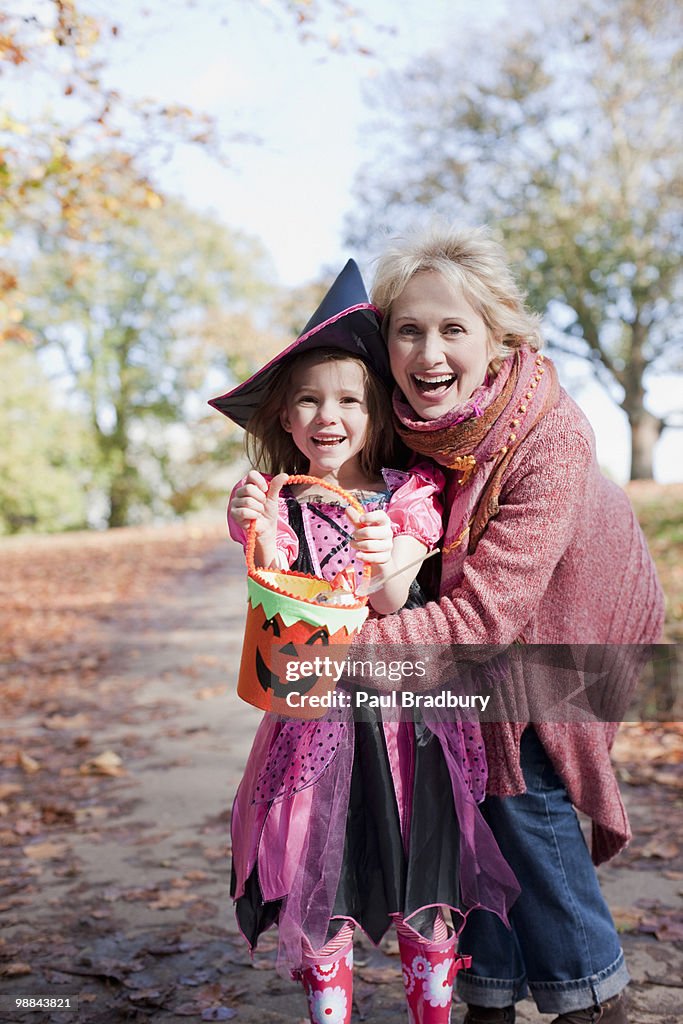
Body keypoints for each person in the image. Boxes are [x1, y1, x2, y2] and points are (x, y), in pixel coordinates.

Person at [355, 225, 665, 1024]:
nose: (428, 352)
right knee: (460, 804)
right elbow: (307, 474)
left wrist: (341, 654)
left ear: (497, 340)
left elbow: (487, 617)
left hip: (569, 636)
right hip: (478, 636)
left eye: (452, 329)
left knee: (520, 797)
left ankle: (592, 997)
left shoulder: (547, 433)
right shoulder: (409, 423)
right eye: (409, 329)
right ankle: (488, 994)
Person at [209, 260, 520, 1024]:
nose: (328, 415)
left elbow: (387, 598)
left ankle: (432, 1008)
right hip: (312, 716)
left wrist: (381, 551)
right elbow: (276, 596)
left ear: (375, 411)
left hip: (408, 722)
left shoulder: (410, 496)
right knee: (323, 881)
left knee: (428, 885)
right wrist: (252, 522)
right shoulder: (279, 502)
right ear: (283, 420)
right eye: (308, 401)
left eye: (349, 398)